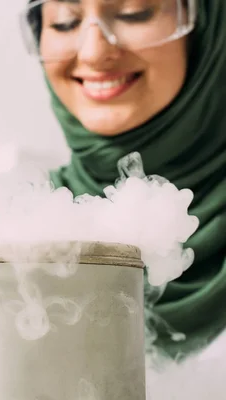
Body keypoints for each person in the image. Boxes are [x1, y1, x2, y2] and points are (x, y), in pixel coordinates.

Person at [20, 0, 226, 359]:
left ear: (205, 28)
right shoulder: (16, 228)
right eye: (65, 23)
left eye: (134, 12)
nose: (94, 51)